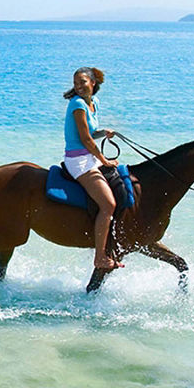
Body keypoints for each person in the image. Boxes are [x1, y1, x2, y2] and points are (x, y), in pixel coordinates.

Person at [62, 66, 123, 272]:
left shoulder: (93, 102)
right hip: (78, 161)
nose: (79, 87)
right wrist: (103, 159)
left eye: (82, 82)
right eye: (76, 83)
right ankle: (100, 258)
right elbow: (85, 138)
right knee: (108, 205)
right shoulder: (77, 104)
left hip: (89, 157)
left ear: (93, 83)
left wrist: (104, 132)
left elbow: (92, 132)